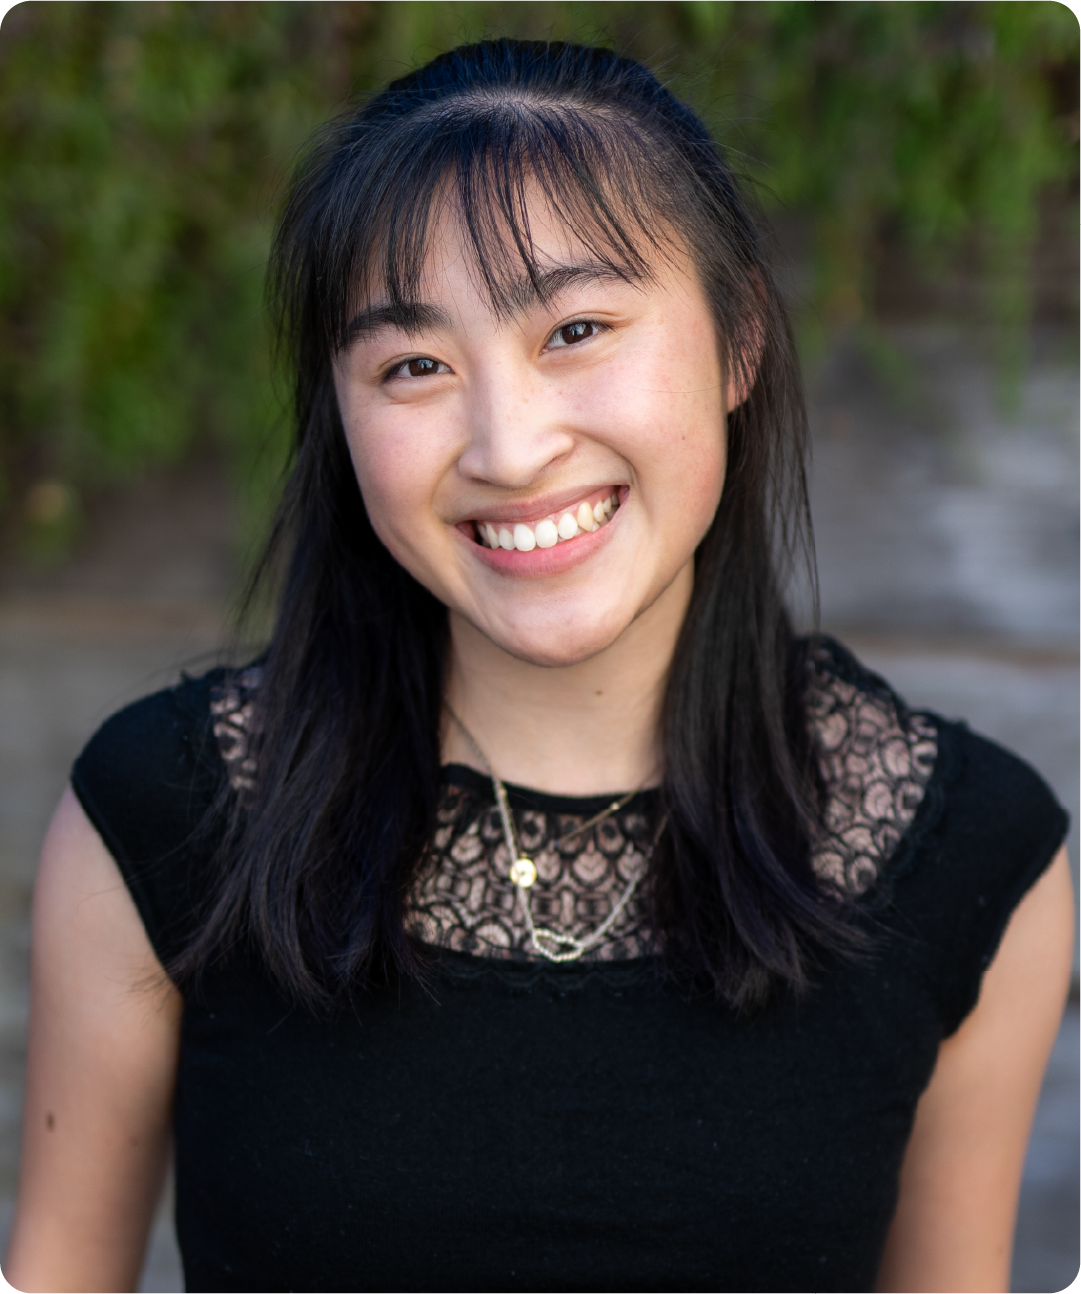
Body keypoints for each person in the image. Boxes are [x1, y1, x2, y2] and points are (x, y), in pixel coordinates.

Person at [4, 40, 1073, 1294]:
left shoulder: (972, 857)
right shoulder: (160, 813)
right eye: (414, 365)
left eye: (575, 328)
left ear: (737, 343)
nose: (507, 448)